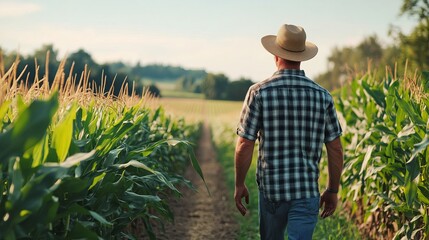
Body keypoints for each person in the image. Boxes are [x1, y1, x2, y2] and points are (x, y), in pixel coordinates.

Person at [234, 24, 344, 240]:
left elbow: (244, 144)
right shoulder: (323, 96)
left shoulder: (258, 93)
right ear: (302, 57)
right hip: (306, 193)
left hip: (272, 191)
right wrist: (332, 190)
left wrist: (239, 184)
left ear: (276, 55)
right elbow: (335, 148)